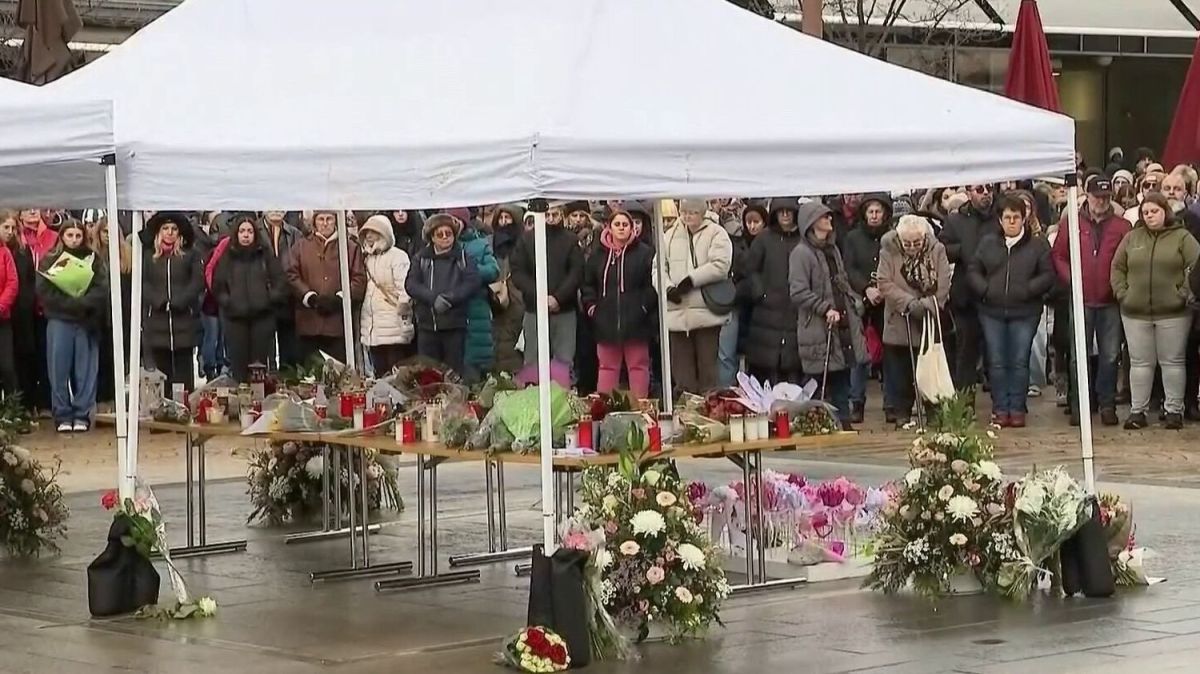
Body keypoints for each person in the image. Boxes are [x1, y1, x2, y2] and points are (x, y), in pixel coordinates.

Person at [1115, 192, 1200, 430]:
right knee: (1140, 363)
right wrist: (1123, 293)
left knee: (1172, 362)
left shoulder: (1182, 237)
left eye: (1155, 211)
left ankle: (1174, 410)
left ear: (1165, 211)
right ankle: (1137, 411)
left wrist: (1183, 292)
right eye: (1146, 212)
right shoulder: (1132, 238)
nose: (1150, 216)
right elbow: (1118, 267)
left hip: (1173, 312)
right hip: (1135, 312)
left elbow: (1196, 265)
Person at [967, 196, 1055, 427]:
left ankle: (1017, 408)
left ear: (1024, 219)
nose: (1012, 222)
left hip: (1025, 311)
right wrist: (985, 289)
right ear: (1000, 219)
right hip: (991, 311)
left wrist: (1028, 290)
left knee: (1018, 360)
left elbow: (1047, 274)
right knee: (996, 361)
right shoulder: (988, 243)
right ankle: (1000, 407)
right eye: (1007, 217)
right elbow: (974, 269)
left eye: (1016, 217)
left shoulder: (1038, 245)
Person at [1051, 176, 1130, 426]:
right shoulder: (1071, 222)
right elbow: (1059, 255)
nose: (1101, 202)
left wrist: (1119, 286)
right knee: (1078, 355)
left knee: (1109, 355)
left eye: (1106, 197)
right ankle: (1080, 404)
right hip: (1081, 297)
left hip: (1110, 299)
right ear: (1087, 195)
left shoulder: (1122, 226)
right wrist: (1072, 279)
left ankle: (1106, 404)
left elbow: (1127, 260)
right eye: (1097, 196)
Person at [789, 201, 866, 427]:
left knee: (842, 371)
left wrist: (854, 301)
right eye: (824, 217)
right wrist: (824, 308)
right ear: (812, 223)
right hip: (818, 324)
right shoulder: (801, 254)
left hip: (840, 319)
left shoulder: (832, 250)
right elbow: (798, 291)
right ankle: (812, 421)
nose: (829, 220)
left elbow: (841, 281)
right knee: (817, 379)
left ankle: (842, 419)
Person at [876, 215, 951, 427]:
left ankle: (933, 410)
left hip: (928, 319)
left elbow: (944, 282)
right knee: (900, 370)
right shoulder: (888, 250)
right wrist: (908, 302)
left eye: (916, 243)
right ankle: (901, 412)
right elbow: (884, 282)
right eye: (907, 243)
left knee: (929, 368)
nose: (911, 247)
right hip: (899, 318)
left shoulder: (937, 250)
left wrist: (928, 304)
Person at [36, 220, 108, 432]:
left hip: (86, 321)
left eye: (78, 235)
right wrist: (69, 304)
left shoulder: (93, 259)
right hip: (59, 319)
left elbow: (101, 289)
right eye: (70, 235)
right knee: (58, 369)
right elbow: (44, 291)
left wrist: (81, 303)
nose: (74, 240)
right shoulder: (49, 260)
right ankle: (62, 414)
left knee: (85, 370)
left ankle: (82, 413)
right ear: (62, 236)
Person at [656, 199, 733, 393]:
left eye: (693, 212)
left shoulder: (717, 233)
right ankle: (685, 413)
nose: (687, 216)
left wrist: (691, 280)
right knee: (682, 374)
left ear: (702, 213)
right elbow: (658, 267)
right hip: (677, 313)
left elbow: (721, 264)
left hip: (706, 312)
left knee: (708, 371)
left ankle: (709, 413)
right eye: (684, 212)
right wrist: (666, 288)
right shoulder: (669, 235)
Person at [580, 211, 656, 397]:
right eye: (617, 224)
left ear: (632, 228)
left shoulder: (645, 253)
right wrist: (592, 308)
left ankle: (640, 409)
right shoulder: (598, 255)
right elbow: (588, 284)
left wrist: (643, 307)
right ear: (610, 227)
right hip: (605, 321)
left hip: (637, 321)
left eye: (625, 224)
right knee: (607, 367)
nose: (621, 228)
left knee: (638, 366)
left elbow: (652, 284)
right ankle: (605, 411)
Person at [211, 215, 289, 383]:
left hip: (262, 320)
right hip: (235, 320)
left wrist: (268, 300)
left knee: (258, 371)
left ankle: (258, 404)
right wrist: (229, 302)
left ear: (255, 234)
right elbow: (218, 285)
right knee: (238, 368)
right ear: (236, 234)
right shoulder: (228, 256)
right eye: (242, 231)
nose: (246, 235)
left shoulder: (265, 254)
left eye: (249, 231)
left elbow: (280, 282)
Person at [286, 209, 367, 363]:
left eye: (329, 219)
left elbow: (359, 278)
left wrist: (340, 298)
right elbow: (291, 274)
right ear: (314, 222)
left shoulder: (350, 247)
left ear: (335, 221)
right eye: (321, 219)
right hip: (309, 322)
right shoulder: (301, 246)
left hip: (337, 324)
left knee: (338, 372)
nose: (325, 223)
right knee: (310, 374)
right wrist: (309, 297)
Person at [510, 202, 584, 370]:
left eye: (555, 214)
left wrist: (558, 298)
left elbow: (576, 272)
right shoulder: (527, 239)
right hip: (534, 308)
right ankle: (532, 394)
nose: (550, 219)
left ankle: (562, 394)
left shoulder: (570, 240)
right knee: (532, 360)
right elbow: (518, 272)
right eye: (547, 215)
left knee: (564, 360)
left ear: (562, 216)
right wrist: (540, 295)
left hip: (564, 309)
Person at [941, 184, 999, 393]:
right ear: (968, 193)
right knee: (966, 353)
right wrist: (965, 250)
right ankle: (965, 407)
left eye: (989, 189)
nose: (986, 193)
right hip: (965, 296)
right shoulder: (956, 220)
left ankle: (1002, 405)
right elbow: (942, 249)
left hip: (996, 293)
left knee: (997, 354)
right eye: (980, 189)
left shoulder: (1000, 217)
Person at [405, 214, 480, 373]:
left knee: (454, 372)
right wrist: (432, 298)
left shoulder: (464, 257)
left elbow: (472, 282)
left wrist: (450, 298)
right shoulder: (421, 258)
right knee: (428, 372)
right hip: (428, 325)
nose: (445, 238)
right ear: (432, 237)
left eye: (449, 233)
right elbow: (411, 284)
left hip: (454, 325)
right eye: (440, 234)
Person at [842, 192, 893, 422]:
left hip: (887, 300)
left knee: (891, 353)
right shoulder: (853, 238)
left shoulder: (891, 238)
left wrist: (883, 288)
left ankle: (891, 403)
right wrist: (866, 289)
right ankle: (857, 402)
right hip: (861, 301)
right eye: (870, 211)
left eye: (878, 211)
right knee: (859, 355)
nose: (874, 216)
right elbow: (849, 268)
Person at [743, 197, 805, 385]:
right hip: (767, 311)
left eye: (789, 211)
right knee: (767, 367)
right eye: (781, 211)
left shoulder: (803, 238)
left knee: (794, 365)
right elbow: (750, 269)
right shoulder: (764, 238)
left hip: (796, 307)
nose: (785, 215)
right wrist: (760, 293)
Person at [141, 212, 203, 393]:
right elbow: (142, 282)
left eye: (174, 229)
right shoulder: (148, 256)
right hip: (157, 322)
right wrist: (158, 301)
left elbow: (197, 282)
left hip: (183, 321)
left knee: (184, 374)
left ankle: (184, 407)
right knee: (162, 374)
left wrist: (180, 301)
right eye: (165, 229)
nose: (170, 233)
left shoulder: (190, 254)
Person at [356, 215, 414, 377]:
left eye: (373, 231)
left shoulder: (398, 256)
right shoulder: (367, 258)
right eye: (366, 232)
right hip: (372, 325)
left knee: (397, 373)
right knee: (379, 373)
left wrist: (403, 313)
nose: (368, 235)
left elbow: (405, 288)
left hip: (393, 323)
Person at [88, 218, 132, 407]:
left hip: (122, 315)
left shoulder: (127, 256)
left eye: (111, 231)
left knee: (121, 359)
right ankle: (101, 398)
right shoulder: (91, 256)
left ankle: (118, 398)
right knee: (101, 358)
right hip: (98, 316)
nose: (107, 235)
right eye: (104, 231)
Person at [16, 208, 57, 412]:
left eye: (36, 207)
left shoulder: (53, 237)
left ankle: (46, 403)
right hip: (21, 308)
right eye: (26, 208)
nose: (33, 211)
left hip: (46, 306)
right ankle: (25, 403)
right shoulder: (16, 239)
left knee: (46, 355)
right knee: (25, 355)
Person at [456, 213, 500, 382]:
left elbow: (493, 270)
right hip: (453, 309)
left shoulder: (480, 244)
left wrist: (471, 271)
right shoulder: (442, 245)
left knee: (475, 362)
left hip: (476, 306)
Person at [260, 210, 303, 368]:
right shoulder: (252, 230)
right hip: (262, 300)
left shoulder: (295, 234)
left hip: (288, 299)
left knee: (290, 353)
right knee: (264, 355)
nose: (276, 209)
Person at [489, 204, 526, 373]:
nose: (504, 222)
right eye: (501, 218)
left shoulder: (524, 242)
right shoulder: (489, 244)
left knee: (513, 343)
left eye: (508, 218)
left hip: (518, 299)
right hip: (495, 299)